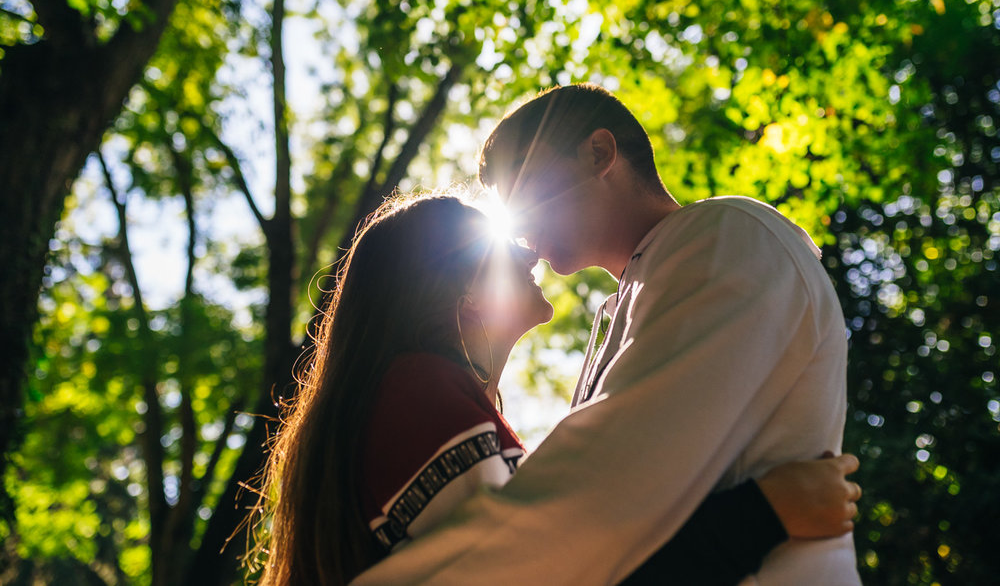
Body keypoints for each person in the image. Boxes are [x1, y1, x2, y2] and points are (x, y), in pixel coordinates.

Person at [353, 84, 862, 584]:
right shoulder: (637, 293)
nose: (519, 231)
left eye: (524, 189)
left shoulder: (724, 238)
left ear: (598, 153)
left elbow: (605, 495)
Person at [252, 194, 861, 586]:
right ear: (461, 295)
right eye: (493, 244)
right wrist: (763, 514)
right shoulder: (420, 394)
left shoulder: (426, 400)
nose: (524, 247)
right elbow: (529, 572)